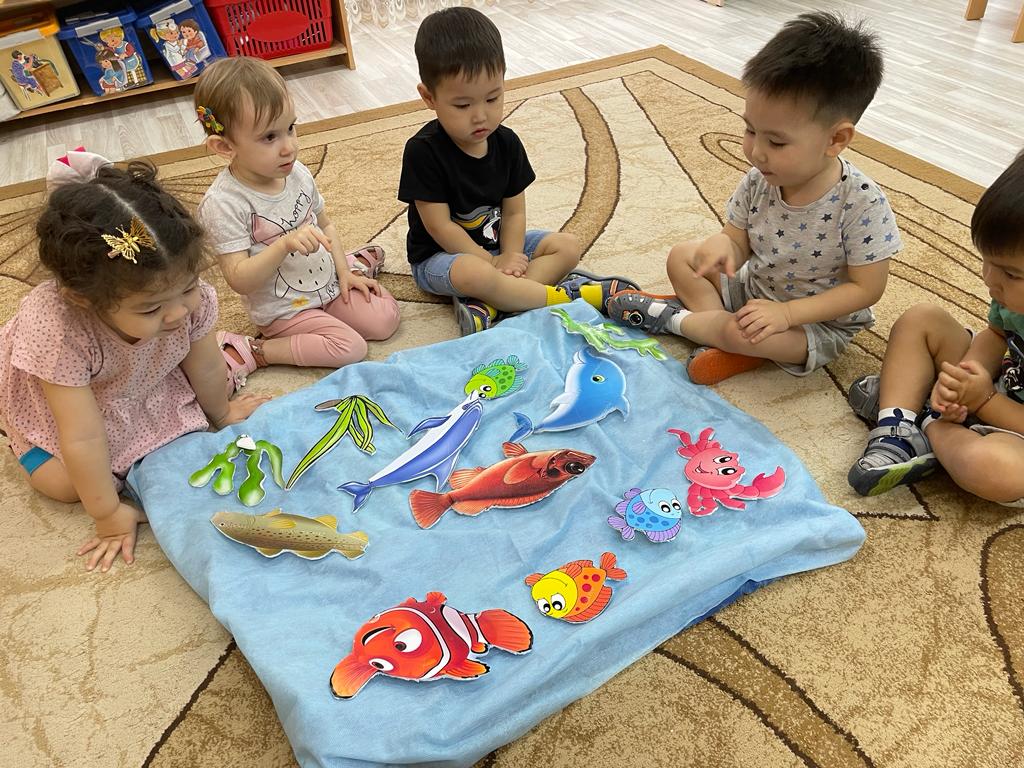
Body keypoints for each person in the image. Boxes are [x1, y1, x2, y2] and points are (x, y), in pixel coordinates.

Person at [0, 152, 267, 573]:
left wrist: (221, 412)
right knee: (66, 485)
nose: (178, 313)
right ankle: (22, 443)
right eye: (151, 308)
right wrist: (107, 513)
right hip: (67, 401)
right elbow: (81, 435)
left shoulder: (181, 299)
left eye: (188, 288)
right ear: (84, 299)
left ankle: (231, 349)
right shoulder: (60, 330)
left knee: (210, 396)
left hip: (144, 374)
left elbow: (205, 366)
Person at [606, 12, 901, 385]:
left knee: (747, 333)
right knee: (682, 256)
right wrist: (722, 246)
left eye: (776, 141)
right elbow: (736, 241)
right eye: (749, 130)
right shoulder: (761, 178)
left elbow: (866, 290)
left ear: (836, 139)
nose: (756, 152)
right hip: (754, 289)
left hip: (813, 325)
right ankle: (718, 334)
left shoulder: (861, 204)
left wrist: (788, 315)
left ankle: (680, 322)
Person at [398, 6, 638, 336]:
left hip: (497, 244)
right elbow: (440, 227)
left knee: (567, 246)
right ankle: (563, 298)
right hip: (441, 257)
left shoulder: (507, 143)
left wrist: (510, 254)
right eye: (463, 105)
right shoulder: (423, 151)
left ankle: (495, 303)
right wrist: (490, 261)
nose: (480, 116)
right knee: (477, 274)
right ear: (429, 97)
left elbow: (513, 213)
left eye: (492, 98)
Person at [194, 56, 401, 372]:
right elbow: (239, 279)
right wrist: (283, 245)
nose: (289, 147)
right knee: (350, 347)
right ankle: (255, 351)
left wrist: (345, 272)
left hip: (328, 286)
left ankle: (353, 262)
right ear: (224, 147)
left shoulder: (297, 172)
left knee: (385, 320)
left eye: (290, 128)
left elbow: (326, 225)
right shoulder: (223, 204)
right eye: (269, 137)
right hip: (286, 310)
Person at [846, 151, 1024, 503]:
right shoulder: (1011, 299)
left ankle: (927, 424)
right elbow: (996, 334)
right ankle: (895, 427)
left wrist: (981, 400)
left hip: (1013, 432)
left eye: (1011, 274)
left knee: (998, 472)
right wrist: (963, 377)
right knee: (922, 318)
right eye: (987, 262)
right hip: (995, 387)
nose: (990, 280)